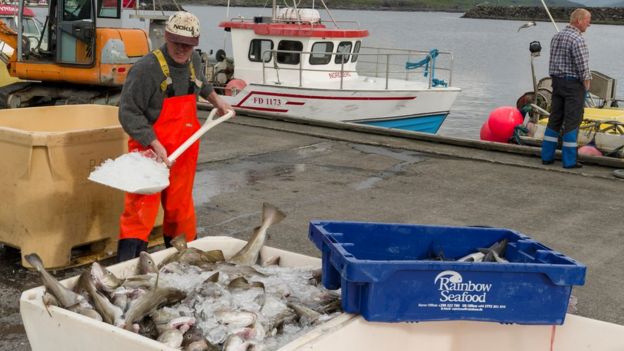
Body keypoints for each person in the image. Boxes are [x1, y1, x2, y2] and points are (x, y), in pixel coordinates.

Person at [116, 11, 234, 262]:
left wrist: (218, 102)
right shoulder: (146, 69)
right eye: (177, 43)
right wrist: (154, 143)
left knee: (181, 210)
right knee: (140, 210)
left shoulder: (195, 62)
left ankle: (182, 261)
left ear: (195, 44)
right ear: (167, 38)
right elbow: (128, 113)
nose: (182, 49)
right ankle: (126, 268)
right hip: (149, 152)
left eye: (188, 45)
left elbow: (202, 84)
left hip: (184, 149)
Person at [541, 8, 591, 169]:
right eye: (587, 21)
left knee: (554, 119)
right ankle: (569, 161)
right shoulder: (578, 39)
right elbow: (584, 68)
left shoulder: (556, 37)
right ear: (579, 20)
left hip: (556, 83)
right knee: (572, 121)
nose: (589, 25)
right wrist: (586, 88)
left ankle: (547, 156)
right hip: (573, 86)